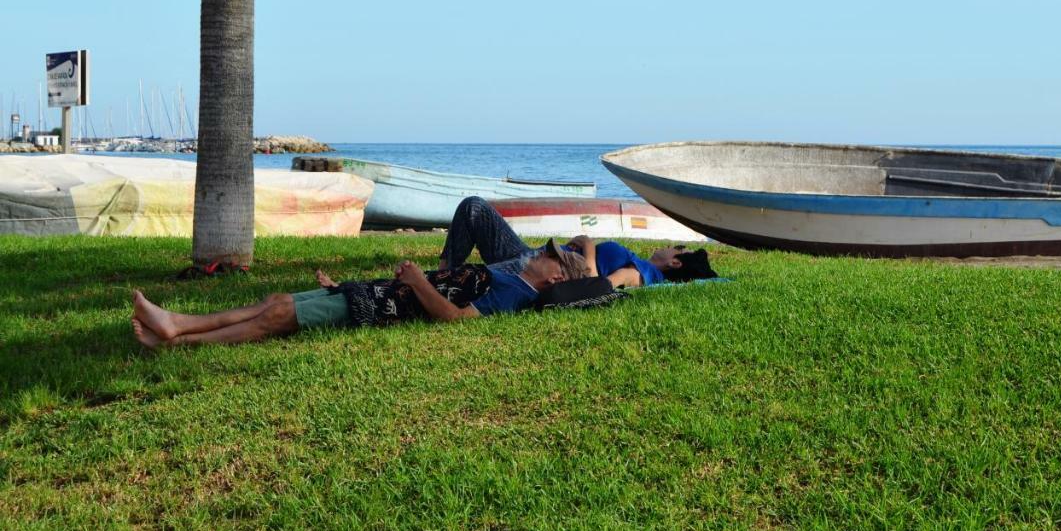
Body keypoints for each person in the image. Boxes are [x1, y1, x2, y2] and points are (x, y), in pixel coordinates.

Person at [130, 240, 587, 348]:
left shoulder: (515, 295)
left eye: (550, 256)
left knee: (279, 315)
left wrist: (418, 283)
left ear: (553, 279)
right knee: (276, 301)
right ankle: (177, 324)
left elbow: (459, 320)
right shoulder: (516, 281)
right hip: (379, 293)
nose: (539, 253)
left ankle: (177, 339)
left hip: (383, 308)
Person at [440, 196, 716, 289]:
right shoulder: (640, 262)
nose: (672, 245)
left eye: (678, 248)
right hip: (533, 254)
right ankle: (442, 272)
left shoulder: (642, 273)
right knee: (473, 207)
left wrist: (589, 248)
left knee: (471, 277)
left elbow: (597, 286)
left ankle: (433, 283)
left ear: (675, 261)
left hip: (537, 270)